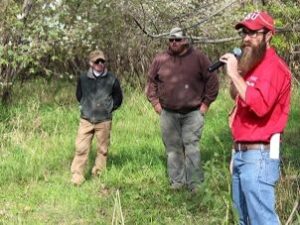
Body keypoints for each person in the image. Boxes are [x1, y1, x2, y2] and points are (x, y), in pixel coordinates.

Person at [220, 12, 291, 225]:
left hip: (259, 155)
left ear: (269, 35)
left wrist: (234, 74)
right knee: (243, 219)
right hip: (242, 152)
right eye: (244, 32)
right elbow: (237, 94)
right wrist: (239, 72)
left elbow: (260, 106)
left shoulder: (274, 68)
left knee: (262, 220)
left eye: (253, 33)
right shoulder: (254, 63)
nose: (246, 38)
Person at [145, 27, 219, 192]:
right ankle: (177, 183)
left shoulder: (199, 57)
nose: (173, 43)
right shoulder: (161, 59)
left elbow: (212, 80)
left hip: (193, 112)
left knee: (191, 146)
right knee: (172, 149)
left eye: (177, 39)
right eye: (171, 39)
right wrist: (156, 104)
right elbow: (151, 82)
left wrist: (206, 104)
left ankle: (195, 184)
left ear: (185, 40)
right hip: (168, 113)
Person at [71, 50, 123, 186]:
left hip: (104, 120)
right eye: (97, 61)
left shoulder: (112, 79)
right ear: (91, 63)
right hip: (86, 119)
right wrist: (85, 106)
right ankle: (77, 175)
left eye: (102, 61)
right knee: (81, 148)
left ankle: (98, 173)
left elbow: (118, 98)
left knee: (103, 149)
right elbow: (79, 95)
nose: (100, 64)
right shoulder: (83, 78)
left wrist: (109, 108)